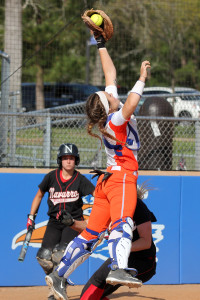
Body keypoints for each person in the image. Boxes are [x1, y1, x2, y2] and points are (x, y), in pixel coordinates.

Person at [45, 29, 151, 300]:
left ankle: (59, 276)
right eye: (107, 93)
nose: (109, 90)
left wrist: (101, 44)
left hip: (105, 182)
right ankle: (118, 267)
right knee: (123, 223)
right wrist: (141, 80)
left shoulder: (107, 115)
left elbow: (110, 75)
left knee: (91, 234)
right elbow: (129, 104)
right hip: (121, 179)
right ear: (108, 105)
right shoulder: (116, 119)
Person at [27, 143, 95, 300]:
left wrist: (95, 217)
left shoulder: (80, 179)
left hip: (73, 222)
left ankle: (57, 288)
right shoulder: (51, 177)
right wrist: (31, 217)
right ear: (60, 160)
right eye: (65, 158)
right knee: (43, 257)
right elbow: (39, 195)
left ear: (76, 160)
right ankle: (56, 283)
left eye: (72, 158)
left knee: (60, 254)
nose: (68, 161)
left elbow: (97, 195)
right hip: (54, 222)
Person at [80, 184, 157, 300]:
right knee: (92, 293)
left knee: (97, 280)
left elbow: (146, 243)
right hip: (122, 259)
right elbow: (89, 227)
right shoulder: (108, 207)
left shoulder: (138, 207)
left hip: (144, 263)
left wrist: (122, 246)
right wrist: (70, 222)